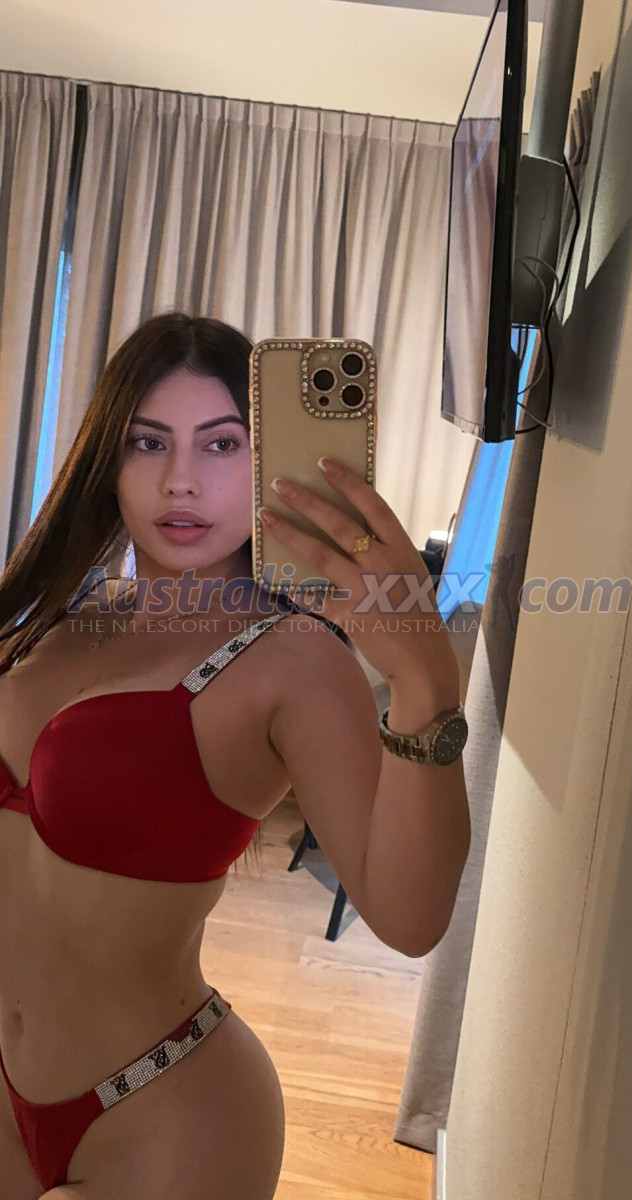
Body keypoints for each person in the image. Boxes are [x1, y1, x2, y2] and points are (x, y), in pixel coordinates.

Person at [0, 313, 470, 1200]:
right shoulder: (61, 621)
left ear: (266, 464)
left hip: (164, 1114)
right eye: (148, 442)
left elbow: (410, 920)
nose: (180, 480)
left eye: (220, 445)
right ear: (108, 461)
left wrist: (424, 683)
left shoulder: (291, 659)